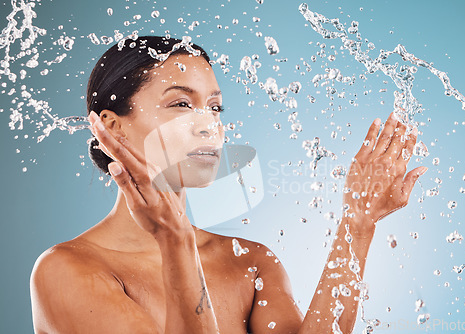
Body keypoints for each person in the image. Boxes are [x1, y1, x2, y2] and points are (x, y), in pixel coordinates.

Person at [30, 36, 427, 334]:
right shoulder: (67, 270)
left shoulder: (250, 261)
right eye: (181, 104)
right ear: (112, 128)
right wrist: (175, 239)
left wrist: (357, 224)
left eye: (215, 107)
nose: (208, 124)